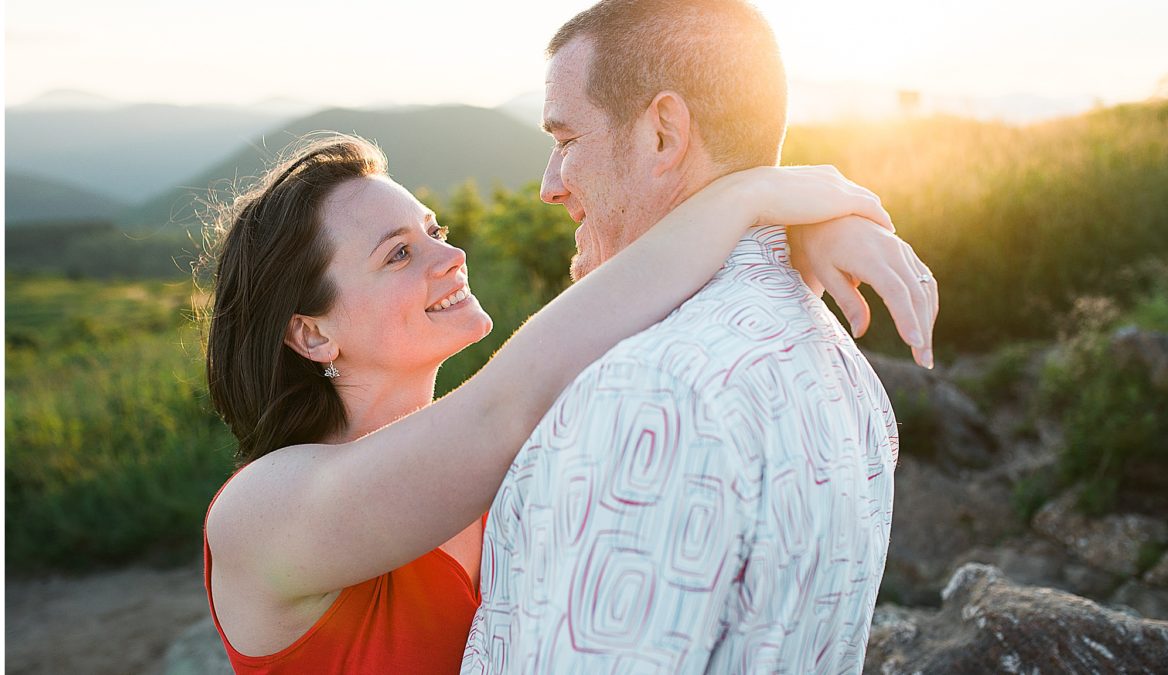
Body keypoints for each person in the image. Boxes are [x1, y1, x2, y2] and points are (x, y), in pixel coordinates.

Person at [199, 129, 931, 673]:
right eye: (398, 253)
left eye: (434, 231)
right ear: (311, 332)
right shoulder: (258, 515)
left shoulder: (500, 460)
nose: (450, 257)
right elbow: (508, 400)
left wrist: (801, 229)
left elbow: (617, 311)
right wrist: (755, 194)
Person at [460, 1, 934, 673]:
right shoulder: (842, 367)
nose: (548, 185)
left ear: (663, 135)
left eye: (567, 142)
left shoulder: (650, 394)